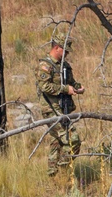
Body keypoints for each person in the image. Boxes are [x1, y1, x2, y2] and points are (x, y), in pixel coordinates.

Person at [36, 36, 84, 178]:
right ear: (56, 48)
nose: (67, 54)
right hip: (51, 109)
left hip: (64, 108)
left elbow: (71, 82)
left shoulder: (65, 66)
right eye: (65, 51)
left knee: (57, 141)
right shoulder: (45, 66)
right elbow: (44, 86)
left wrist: (77, 88)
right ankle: (64, 171)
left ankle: (53, 175)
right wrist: (64, 89)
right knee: (73, 139)